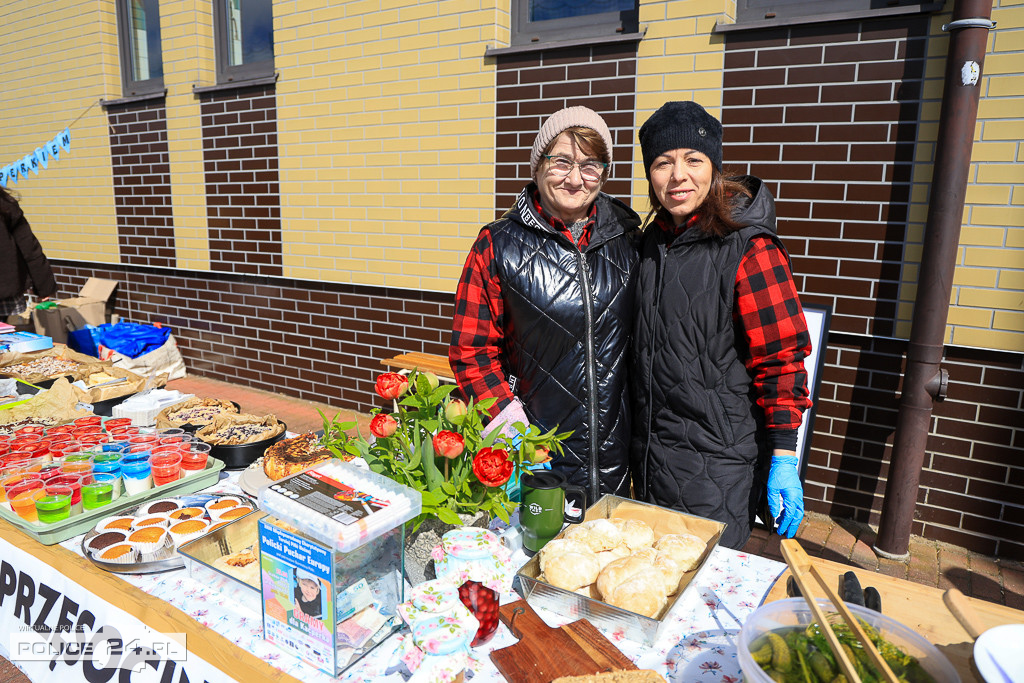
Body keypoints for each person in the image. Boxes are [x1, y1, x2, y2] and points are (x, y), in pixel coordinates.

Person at [631, 101, 812, 550]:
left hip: (718, 466)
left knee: (702, 594)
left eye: (693, 160)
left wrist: (784, 453)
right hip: (651, 457)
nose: (678, 176)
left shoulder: (749, 250)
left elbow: (781, 359)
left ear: (714, 168)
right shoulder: (652, 244)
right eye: (662, 163)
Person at [449, 106, 641, 503]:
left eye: (591, 166)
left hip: (617, 460)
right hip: (536, 457)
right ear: (538, 166)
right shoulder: (497, 245)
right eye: (562, 162)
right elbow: (472, 352)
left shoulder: (630, 240)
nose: (575, 178)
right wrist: (515, 434)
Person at [0, 186, 56, 319]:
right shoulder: (5, 204)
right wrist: (44, 286)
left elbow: (28, 247)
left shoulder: (5, 205)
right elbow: (29, 247)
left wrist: (44, 286)